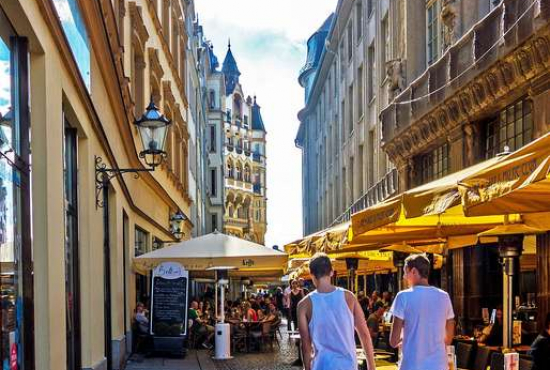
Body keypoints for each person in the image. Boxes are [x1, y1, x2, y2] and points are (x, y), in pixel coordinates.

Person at [298, 253, 376, 370]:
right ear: (331, 272)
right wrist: (371, 367)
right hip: (347, 366)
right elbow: (364, 335)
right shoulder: (349, 297)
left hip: (321, 366)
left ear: (312, 274)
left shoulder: (303, 305)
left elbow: (305, 345)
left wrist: (307, 368)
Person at [389, 254, 455, 370]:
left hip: (412, 364)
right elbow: (448, 338)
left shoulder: (403, 297)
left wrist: (406, 337)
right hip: (438, 365)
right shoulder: (444, 296)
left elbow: (393, 341)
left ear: (414, 271)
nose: (404, 276)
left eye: (405, 272)